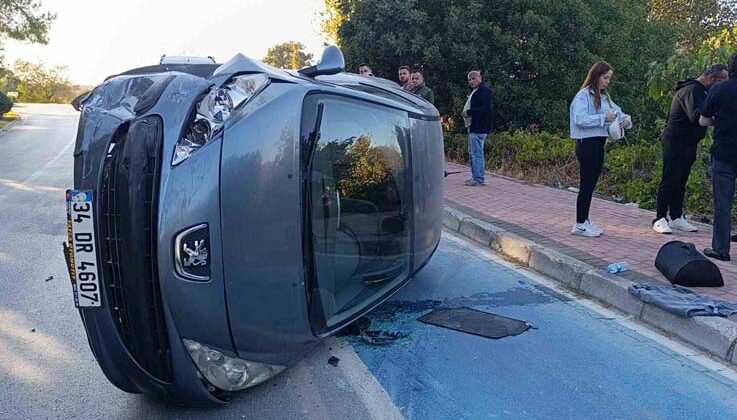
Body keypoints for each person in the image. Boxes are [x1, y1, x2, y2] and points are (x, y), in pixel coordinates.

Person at [653, 64, 729, 234]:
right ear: (711, 78)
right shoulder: (692, 90)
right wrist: (719, 118)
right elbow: (696, 116)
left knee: (681, 179)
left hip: (689, 142)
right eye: (721, 82)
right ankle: (659, 217)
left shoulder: (703, 92)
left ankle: (676, 215)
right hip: (676, 141)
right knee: (669, 178)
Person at [569, 61, 632, 237]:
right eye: (605, 78)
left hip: (599, 142)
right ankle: (580, 223)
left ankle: (585, 220)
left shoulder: (605, 97)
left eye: (609, 78)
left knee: (591, 184)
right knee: (586, 184)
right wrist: (603, 118)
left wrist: (626, 120)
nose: (607, 82)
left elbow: (617, 112)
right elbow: (580, 119)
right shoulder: (583, 96)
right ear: (596, 76)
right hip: (586, 143)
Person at [700, 54, 737, 261]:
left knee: (723, 202)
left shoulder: (719, 90)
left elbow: (703, 120)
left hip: (724, 154)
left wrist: (719, 119)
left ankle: (721, 249)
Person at [462, 70, 493, 186]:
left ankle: (479, 178)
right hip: (473, 126)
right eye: (469, 80)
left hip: (479, 127)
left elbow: (486, 109)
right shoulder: (476, 91)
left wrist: (469, 112)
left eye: (473, 79)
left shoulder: (484, 91)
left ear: (479, 78)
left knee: (477, 153)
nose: (471, 81)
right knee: (473, 153)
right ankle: (475, 176)